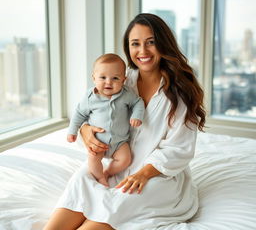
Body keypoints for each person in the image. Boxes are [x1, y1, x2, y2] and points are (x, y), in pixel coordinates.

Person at [43, 13, 206, 230]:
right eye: (135, 44)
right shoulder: (120, 79)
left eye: (151, 43)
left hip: (156, 175)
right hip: (115, 163)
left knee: (118, 202)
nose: (143, 51)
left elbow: (179, 149)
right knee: (82, 179)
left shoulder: (180, 93)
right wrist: (85, 131)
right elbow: (91, 111)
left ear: (164, 44)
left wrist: (143, 173)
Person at [67, 53, 145, 186]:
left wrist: (137, 115)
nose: (108, 82)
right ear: (93, 78)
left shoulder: (126, 95)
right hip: (98, 142)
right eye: (102, 77)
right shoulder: (90, 98)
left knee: (125, 160)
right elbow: (79, 114)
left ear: (123, 80)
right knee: (93, 160)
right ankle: (100, 178)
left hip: (120, 142)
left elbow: (138, 102)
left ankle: (108, 172)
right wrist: (72, 131)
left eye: (115, 78)